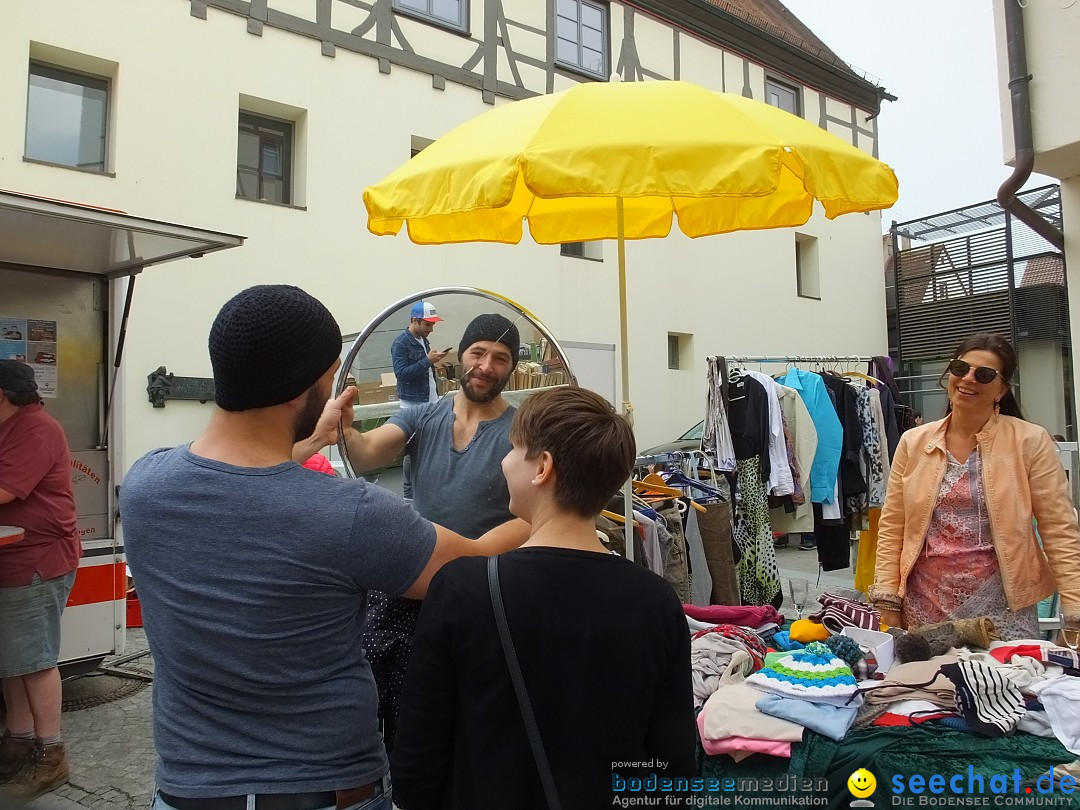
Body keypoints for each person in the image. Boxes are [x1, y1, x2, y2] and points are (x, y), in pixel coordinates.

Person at [119, 285, 528, 810]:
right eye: (331, 375)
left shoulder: (144, 486)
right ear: (300, 391)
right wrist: (551, 508)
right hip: (322, 791)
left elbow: (245, 486)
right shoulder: (352, 514)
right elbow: (469, 565)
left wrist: (306, 443)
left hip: (184, 790)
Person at [391, 387, 697, 810]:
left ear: (542, 467)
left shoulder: (464, 588)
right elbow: (672, 762)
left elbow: (417, 761)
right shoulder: (656, 600)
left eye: (513, 448)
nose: (503, 460)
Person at [347, 313, 521, 756]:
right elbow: (366, 455)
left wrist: (476, 553)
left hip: (481, 589)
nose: (486, 366)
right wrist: (346, 426)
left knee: (458, 706)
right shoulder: (424, 415)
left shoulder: (523, 432)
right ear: (460, 356)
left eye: (500, 358)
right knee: (392, 695)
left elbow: (537, 515)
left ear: (512, 368)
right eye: (478, 353)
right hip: (417, 579)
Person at [871, 334, 1080, 638]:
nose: (968, 378)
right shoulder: (914, 442)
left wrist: (1074, 614)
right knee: (929, 685)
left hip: (1004, 611)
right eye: (960, 368)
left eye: (984, 374)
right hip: (925, 607)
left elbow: (1059, 529)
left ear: (1002, 389)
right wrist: (887, 598)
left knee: (1008, 684)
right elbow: (893, 527)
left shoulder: (1030, 442)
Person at [0, 360, 79, 801]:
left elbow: (5, 491)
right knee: (12, 658)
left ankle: (52, 753)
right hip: (11, 559)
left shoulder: (36, 428)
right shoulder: (8, 427)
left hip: (38, 559)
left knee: (34, 659)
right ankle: (17, 740)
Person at [391, 301, 447, 500]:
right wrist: (427, 361)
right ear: (415, 320)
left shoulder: (423, 340)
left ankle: (429, 487)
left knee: (432, 445)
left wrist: (431, 361)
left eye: (433, 324)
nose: (431, 329)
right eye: (428, 324)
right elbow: (402, 374)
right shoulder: (400, 343)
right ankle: (409, 494)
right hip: (413, 405)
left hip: (430, 401)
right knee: (412, 448)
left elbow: (424, 371)